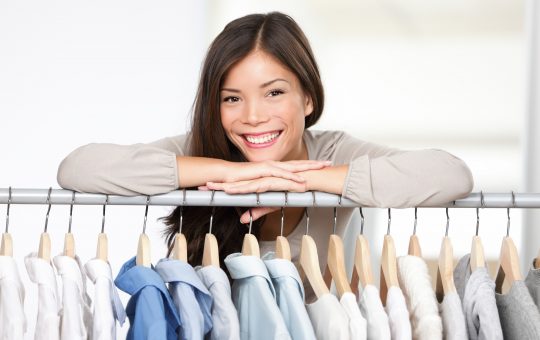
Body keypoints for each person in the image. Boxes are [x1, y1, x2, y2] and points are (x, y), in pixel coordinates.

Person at [57, 12, 474, 269]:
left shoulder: (332, 152)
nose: (253, 116)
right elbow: (77, 167)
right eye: (232, 99)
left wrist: (300, 181)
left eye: (274, 92)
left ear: (307, 97)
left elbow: (450, 174)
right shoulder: (200, 148)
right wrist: (234, 172)